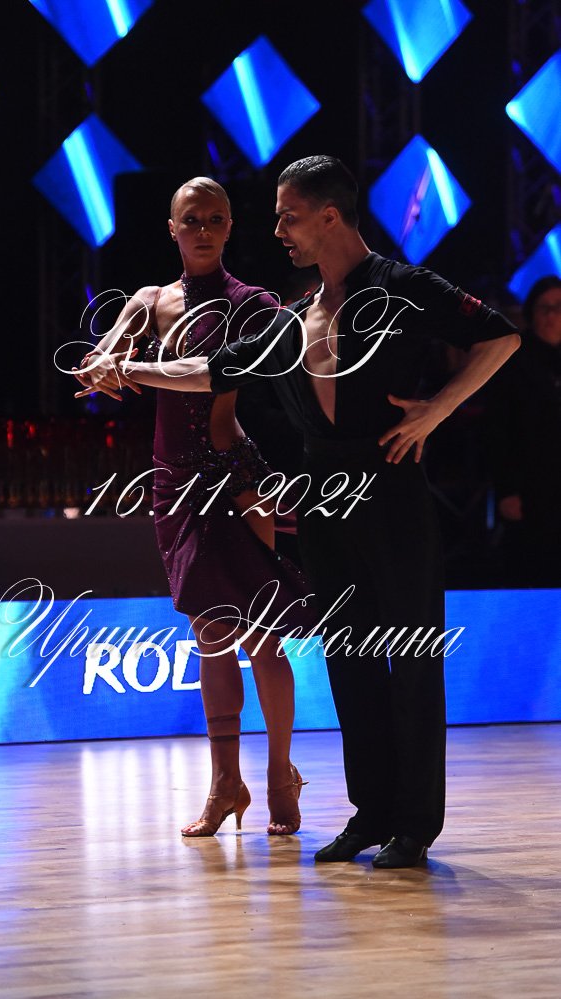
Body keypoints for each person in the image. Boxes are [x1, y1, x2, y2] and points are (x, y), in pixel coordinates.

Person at [94, 156, 520, 867]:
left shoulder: (402, 286)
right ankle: (370, 813)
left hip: (391, 487)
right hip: (324, 498)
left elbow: (501, 335)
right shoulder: (295, 316)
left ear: (328, 216)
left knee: (411, 660)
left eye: (288, 217)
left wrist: (436, 411)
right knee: (350, 659)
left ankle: (415, 825)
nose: (278, 231)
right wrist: (130, 368)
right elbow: (210, 369)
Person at [74, 178, 317, 837]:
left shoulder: (252, 303)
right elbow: (103, 354)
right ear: (172, 228)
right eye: (191, 220)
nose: (203, 230)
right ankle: (225, 784)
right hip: (173, 487)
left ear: (231, 226)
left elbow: (227, 374)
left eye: (214, 218)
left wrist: (126, 370)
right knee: (210, 634)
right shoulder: (150, 301)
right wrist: (99, 365)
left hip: (233, 479)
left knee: (261, 635)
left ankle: (280, 773)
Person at [488, 275, 561, 586]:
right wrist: (506, 490)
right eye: (545, 307)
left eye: (558, 307)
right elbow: (498, 431)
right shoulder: (513, 360)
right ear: (532, 312)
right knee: (532, 572)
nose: (552, 316)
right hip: (531, 487)